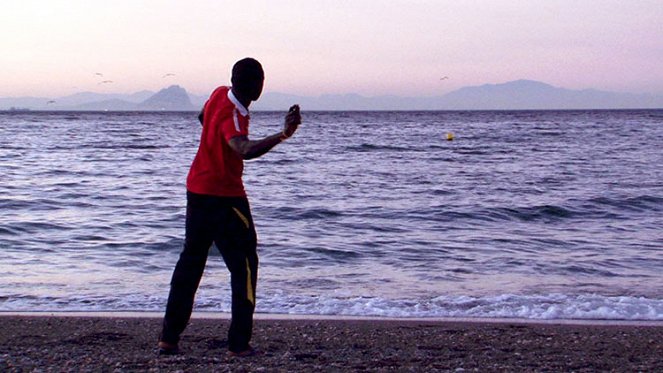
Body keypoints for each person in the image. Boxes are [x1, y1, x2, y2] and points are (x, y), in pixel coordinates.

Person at [158, 58, 301, 357]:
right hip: (225, 199)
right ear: (254, 85)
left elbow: (203, 117)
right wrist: (283, 134)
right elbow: (243, 149)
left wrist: (214, 143)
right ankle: (238, 343)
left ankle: (169, 338)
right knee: (245, 266)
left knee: (190, 263)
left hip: (197, 190)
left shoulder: (219, 93)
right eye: (261, 79)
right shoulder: (234, 116)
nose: (263, 84)